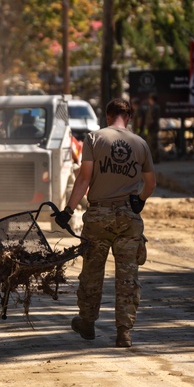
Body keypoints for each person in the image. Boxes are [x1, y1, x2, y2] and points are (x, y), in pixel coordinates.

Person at [54, 98, 156, 348]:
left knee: (92, 272)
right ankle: (124, 332)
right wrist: (139, 201)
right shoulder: (141, 144)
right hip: (128, 220)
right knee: (127, 277)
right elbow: (151, 184)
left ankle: (87, 323)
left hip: (99, 217)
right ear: (128, 117)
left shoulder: (94, 139)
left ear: (108, 116)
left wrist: (67, 211)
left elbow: (83, 180)